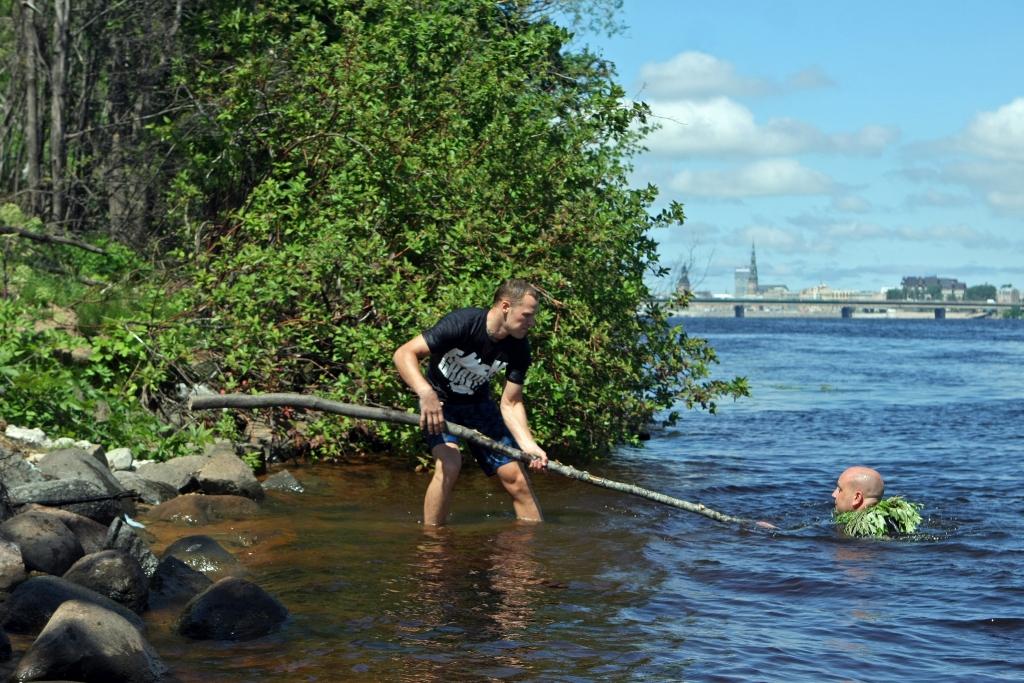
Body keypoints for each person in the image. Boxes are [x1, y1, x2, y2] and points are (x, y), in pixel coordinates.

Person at [393, 278, 548, 526]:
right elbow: (404, 353)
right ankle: (432, 542)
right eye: (527, 315)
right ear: (506, 306)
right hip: (440, 405)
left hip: (478, 405)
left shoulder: (520, 347)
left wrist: (529, 445)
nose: (532, 323)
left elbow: (511, 403)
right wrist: (426, 393)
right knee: (450, 464)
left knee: (516, 477)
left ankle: (528, 552)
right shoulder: (463, 323)